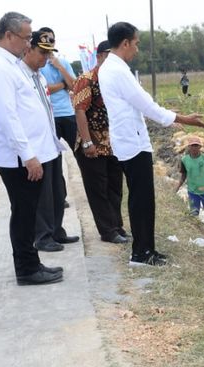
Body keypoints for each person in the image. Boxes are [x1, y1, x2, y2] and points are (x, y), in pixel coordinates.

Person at [100, 21, 204, 266]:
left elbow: (139, 104)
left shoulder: (111, 68)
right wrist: (182, 119)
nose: (137, 49)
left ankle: (147, 249)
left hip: (129, 140)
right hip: (133, 143)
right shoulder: (117, 71)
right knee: (141, 200)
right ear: (125, 43)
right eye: (135, 44)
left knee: (142, 199)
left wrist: (168, 114)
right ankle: (141, 253)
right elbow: (145, 104)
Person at [0, 12, 63, 285]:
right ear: (9, 35)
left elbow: (10, 110)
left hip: (23, 152)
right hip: (18, 157)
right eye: (26, 38)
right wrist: (29, 156)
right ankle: (27, 269)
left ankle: (31, 263)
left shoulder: (8, 62)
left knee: (26, 211)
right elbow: (8, 115)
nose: (29, 44)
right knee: (25, 212)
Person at [73, 40, 127, 244]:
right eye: (109, 55)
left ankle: (117, 226)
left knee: (115, 186)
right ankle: (107, 230)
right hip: (92, 143)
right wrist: (87, 143)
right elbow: (79, 111)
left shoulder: (114, 79)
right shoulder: (86, 80)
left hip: (113, 143)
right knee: (98, 189)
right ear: (99, 56)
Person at [39, 27, 78, 209]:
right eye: (45, 40)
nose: (49, 44)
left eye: (52, 40)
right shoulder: (37, 64)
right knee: (55, 160)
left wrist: (60, 68)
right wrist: (62, 85)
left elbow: (74, 86)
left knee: (82, 154)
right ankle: (59, 197)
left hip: (68, 114)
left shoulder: (62, 62)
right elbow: (44, 90)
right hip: (50, 117)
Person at [174, 136, 204, 235]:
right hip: (193, 191)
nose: (194, 148)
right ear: (189, 147)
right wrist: (176, 188)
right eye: (192, 146)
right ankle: (196, 233)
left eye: (196, 146)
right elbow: (183, 176)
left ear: (200, 147)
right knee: (194, 213)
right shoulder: (184, 160)